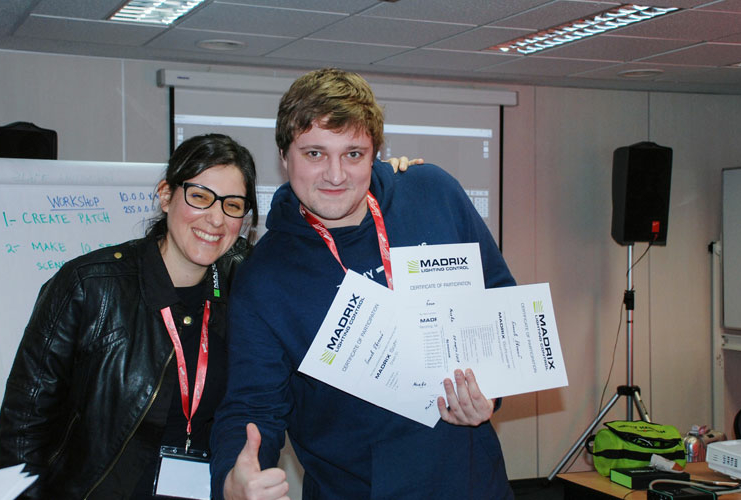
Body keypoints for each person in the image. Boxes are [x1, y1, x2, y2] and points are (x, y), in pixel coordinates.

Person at [210, 68, 516, 500]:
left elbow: (499, 301)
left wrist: (492, 391)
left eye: (353, 154)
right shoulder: (264, 277)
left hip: (474, 486)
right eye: (315, 154)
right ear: (284, 156)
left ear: (375, 154)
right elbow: (252, 405)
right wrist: (232, 479)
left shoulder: (434, 194)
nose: (335, 175)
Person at [0, 133, 258, 499]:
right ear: (166, 195)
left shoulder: (243, 288)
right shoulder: (89, 287)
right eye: (200, 197)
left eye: (232, 205)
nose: (216, 218)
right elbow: (23, 430)